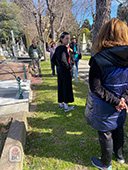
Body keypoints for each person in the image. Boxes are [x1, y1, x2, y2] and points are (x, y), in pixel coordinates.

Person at [85, 18, 128, 170]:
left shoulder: (98, 59)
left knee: (106, 133)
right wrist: (123, 100)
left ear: (104, 35)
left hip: (106, 105)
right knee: (118, 127)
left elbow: (95, 87)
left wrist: (117, 101)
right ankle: (120, 156)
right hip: (121, 104)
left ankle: (106, 164)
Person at [52, 32, 74, 112]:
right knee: (66, 87)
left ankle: (61, 104)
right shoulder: (63, 48)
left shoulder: (58, 48)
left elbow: (53, 59)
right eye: (66, 38)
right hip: (65, 71)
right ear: (61, 39)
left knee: (61, 86)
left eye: (69, 38)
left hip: (60, 70)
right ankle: (66, 106)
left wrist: (58, 65)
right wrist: (69, 68)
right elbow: (63, 60)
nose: (68, 40)